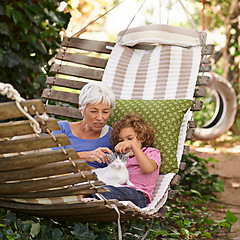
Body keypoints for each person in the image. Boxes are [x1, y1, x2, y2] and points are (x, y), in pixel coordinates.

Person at [93, 114, 161, 208]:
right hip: (117, 188)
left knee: (106, 191)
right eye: (121, 141)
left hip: (138, 195)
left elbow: (148, 169)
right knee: (102, 188)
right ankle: (90, 193)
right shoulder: (119, 158)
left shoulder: (151, 152)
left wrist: (133, 145)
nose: (125, 143)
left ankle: (94, 193)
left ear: (141, 137)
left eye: (130, 138)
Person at [52, 82, 115, 169]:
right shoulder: (62, 128)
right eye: (94, 111)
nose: (100, 118)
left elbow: (114, 171)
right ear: (82, 108)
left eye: (105, 112)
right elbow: (52, 161)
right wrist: (85, 156)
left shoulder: (112, 136)